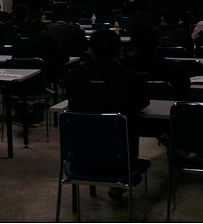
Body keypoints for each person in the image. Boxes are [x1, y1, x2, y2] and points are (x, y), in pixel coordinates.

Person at [64, 29, 150, 200]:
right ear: (119, 51)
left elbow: (74, 104)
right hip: (120, 162)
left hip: (79, 158)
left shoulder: (73, 77)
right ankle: (126, 177)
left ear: (90, 49)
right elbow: (142, 103)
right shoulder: (130, 78)